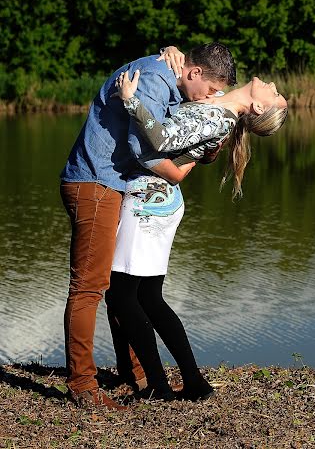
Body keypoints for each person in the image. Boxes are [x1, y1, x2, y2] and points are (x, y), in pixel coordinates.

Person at [59, 42, 236, 409]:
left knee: (115, 286)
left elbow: (167, 134)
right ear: (195, 72)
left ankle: (135, 374)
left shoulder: (169, 79)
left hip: (114, 184)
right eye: (210, 90)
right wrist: (182, 166)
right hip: (97, 183)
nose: (209, 99)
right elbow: (145, 147)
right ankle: (83, 387)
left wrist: (201, 149)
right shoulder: (155, 80)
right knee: (89, 288)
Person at [104, 68, 288, 401]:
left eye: (275, 96)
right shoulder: (219, 102)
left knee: (122, 297)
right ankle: (193, 382)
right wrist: (173, 53)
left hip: (150, 202)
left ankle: (160, 386)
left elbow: (160, 140)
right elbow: (191, 82)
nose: (274, 86)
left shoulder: (218, 119)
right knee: (147, 298)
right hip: (156, 200)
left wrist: (132, 102)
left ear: (259, 109)